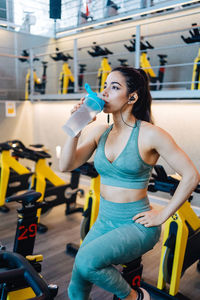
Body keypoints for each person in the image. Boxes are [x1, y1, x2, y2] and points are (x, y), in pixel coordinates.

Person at [60, 66, 200, 300]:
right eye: (105, 86)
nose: (105, 92)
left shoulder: (150, 134)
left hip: (136, 224)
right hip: (104, 220)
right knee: (77, 281)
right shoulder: (98, 132)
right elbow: (66, 165)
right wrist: (76, 127)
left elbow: (192, 176)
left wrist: (162, 214)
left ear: (132, 97)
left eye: (114, 87)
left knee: (86, 261)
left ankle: (135, 298)